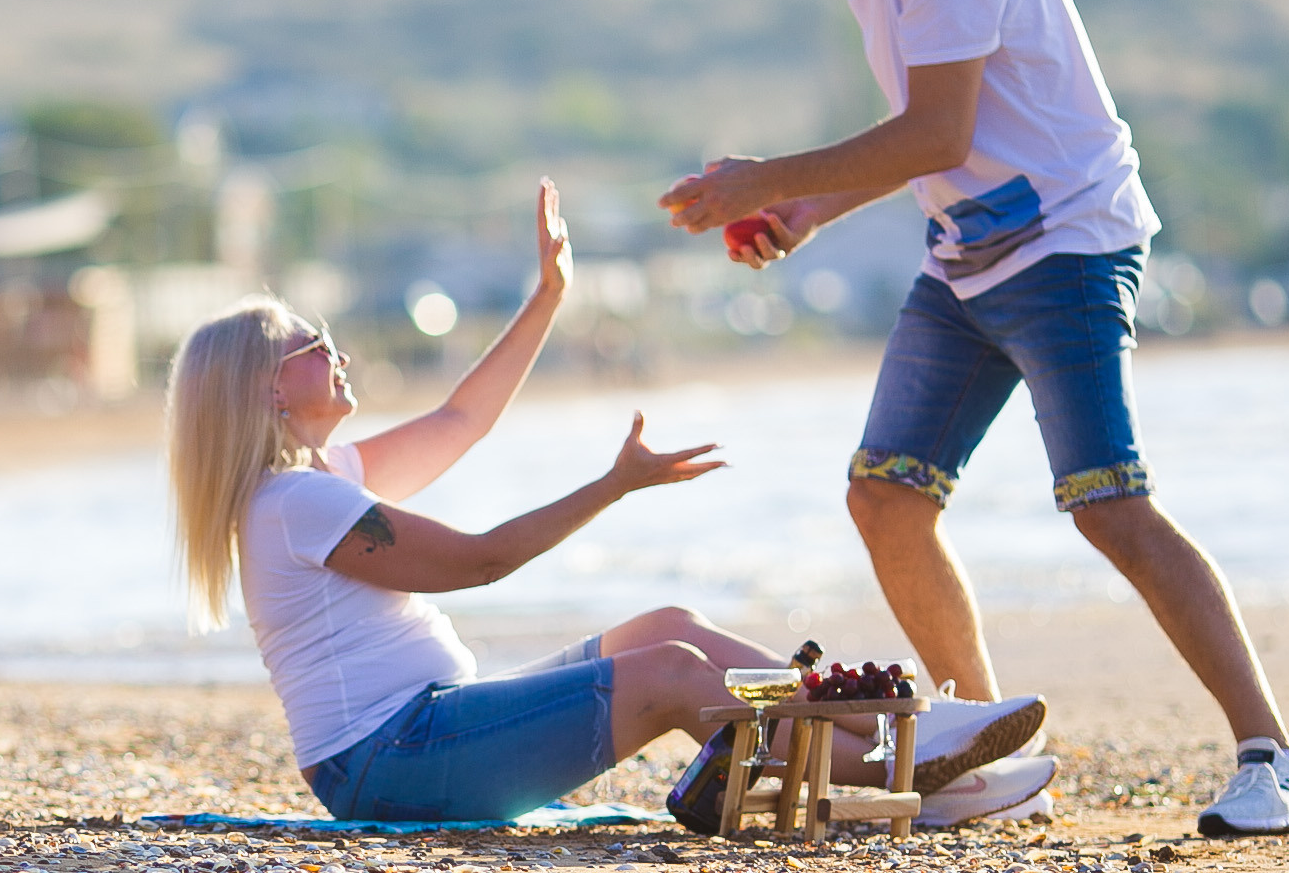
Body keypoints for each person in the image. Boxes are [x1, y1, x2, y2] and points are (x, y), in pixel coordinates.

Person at [661, 0, 1289, 838]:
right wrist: (805, 210)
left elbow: (941, 129)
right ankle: (979, 747)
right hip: (969, 257)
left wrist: (763, 176)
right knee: (885, 494)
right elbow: (927, 149)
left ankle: (1279, 758)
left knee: (1109, 503)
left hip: (1068, 244)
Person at [168, 178, 1047, 824]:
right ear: (267, 391)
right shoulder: (295, 502)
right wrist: (612, 484)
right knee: (665, 669)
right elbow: (480, 561)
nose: (339, 351)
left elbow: (462, 417)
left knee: (668, 621)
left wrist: (546, 297)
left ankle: (916, 738)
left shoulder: (320, 482)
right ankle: (911, 768)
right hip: (392, 759)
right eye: (313, 344)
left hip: (424, 732)